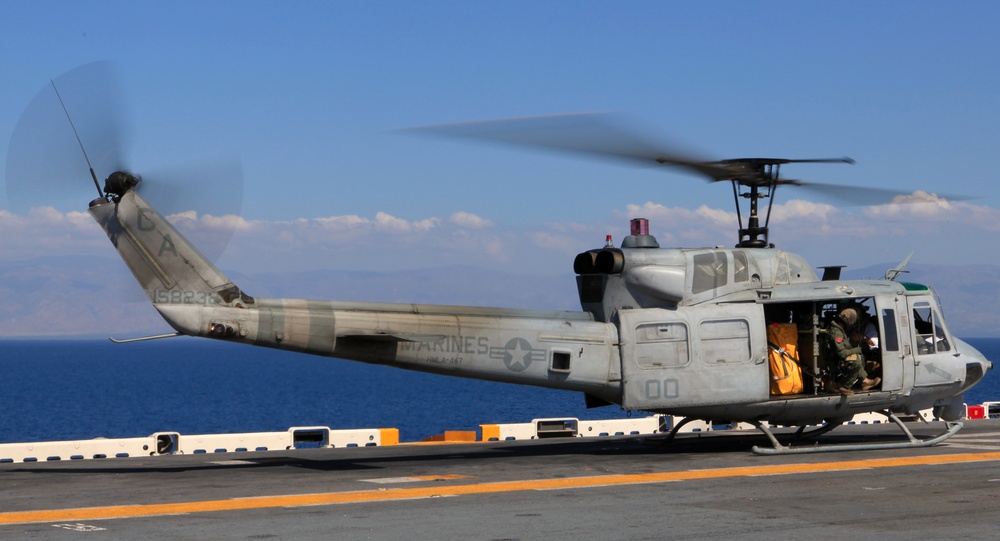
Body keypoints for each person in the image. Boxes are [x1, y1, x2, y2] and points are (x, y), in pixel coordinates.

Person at [824, 307, 880, 395]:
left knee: (857, 357)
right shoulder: (837, 333)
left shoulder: (839, 330)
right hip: (833, 363)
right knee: (856, 361)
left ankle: (865, 381)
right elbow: (842, 353)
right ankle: (844, 386)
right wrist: (858, 349)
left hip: (836, 359)